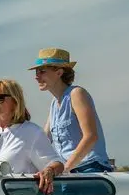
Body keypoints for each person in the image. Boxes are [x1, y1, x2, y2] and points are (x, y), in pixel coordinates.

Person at [29, 47, 114, 187]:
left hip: (90, 170)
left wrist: (65, 169)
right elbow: (43, 140)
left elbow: (91, 136)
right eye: (36, 72)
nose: (36, 76)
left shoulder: (77, 94)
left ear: (59, 72)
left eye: (42, 71)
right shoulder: (54, 104)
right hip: (68, 173)